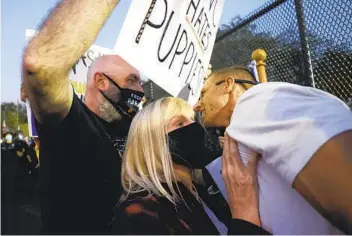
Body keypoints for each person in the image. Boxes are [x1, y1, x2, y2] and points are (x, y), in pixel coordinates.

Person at [22, 0, 144, 234]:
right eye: (131, 80)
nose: (139, 90)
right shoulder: (73, 124)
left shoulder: (132, 127)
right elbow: (41, 65)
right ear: (101, 82)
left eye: (140, 82)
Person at [194, 65, 352, 234]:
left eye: (203, 93)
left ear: (228, 85)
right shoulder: (242, 132)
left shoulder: (253, 101)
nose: (196, 106)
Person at [111, 97, 269, 235]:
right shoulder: (140, 212)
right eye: (180, 123)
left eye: (192, 119)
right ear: (153, 143)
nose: (195, 127)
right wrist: (243, 210)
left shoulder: (197, 191)